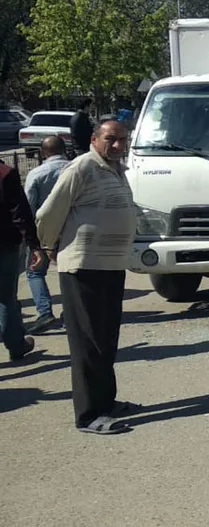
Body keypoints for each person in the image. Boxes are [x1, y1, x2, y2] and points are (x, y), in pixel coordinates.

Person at [37, 121, 138, 434]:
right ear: (95, 139)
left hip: (110, 266)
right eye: (111, 139)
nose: (119, 145)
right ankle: (88, 414)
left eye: (123, 139)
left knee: (106, 338)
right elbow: (48, 213)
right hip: (83, 266)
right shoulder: (80, 168)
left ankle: (106, 402)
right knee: (88, 342)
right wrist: (48, 246)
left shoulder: (116, 169)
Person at [23, 135, 72, 334]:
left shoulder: (36, 174)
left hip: (44, 231)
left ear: (43, 153)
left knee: (35, 272)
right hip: (73, 228)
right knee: (69, 271)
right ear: (64, 149)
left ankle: (45, 313)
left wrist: (30, 238)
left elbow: (28, 206)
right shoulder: (77, 169)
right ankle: (70, 313)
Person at [0, 160, 46, 363]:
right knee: (6, 297)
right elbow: (19, 212)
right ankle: (16, 345)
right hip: (4, 245)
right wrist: (34, 245)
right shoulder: (5, 173)